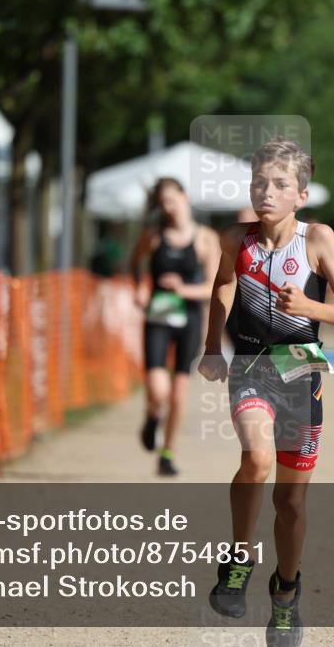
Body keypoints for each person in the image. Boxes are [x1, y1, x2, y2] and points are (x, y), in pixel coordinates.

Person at [198, 138, 334, 647]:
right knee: (257, 458)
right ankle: (238, 560)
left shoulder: (319, 240)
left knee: (290, 501)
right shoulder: (236, 238)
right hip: (252, 364)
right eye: (258, 183)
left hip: (301, 370)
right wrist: (212, 347)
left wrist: (310, 308)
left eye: (279, 185)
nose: (266, 193)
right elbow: (223, 284)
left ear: (301, 195)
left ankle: (286, 591)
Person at [130, 178, 219, 475]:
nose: (169, 207)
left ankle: (167, 452)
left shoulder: (205, 238)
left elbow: (214, 286)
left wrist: (183, 290)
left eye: (172, 200)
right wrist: (140, 287)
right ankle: (152, 414)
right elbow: (135, 263)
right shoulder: (154, 235)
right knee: (158, 388)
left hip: (190, 319)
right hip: (158, 317)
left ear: (185, 196)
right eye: (163, 203)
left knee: (179, 394)